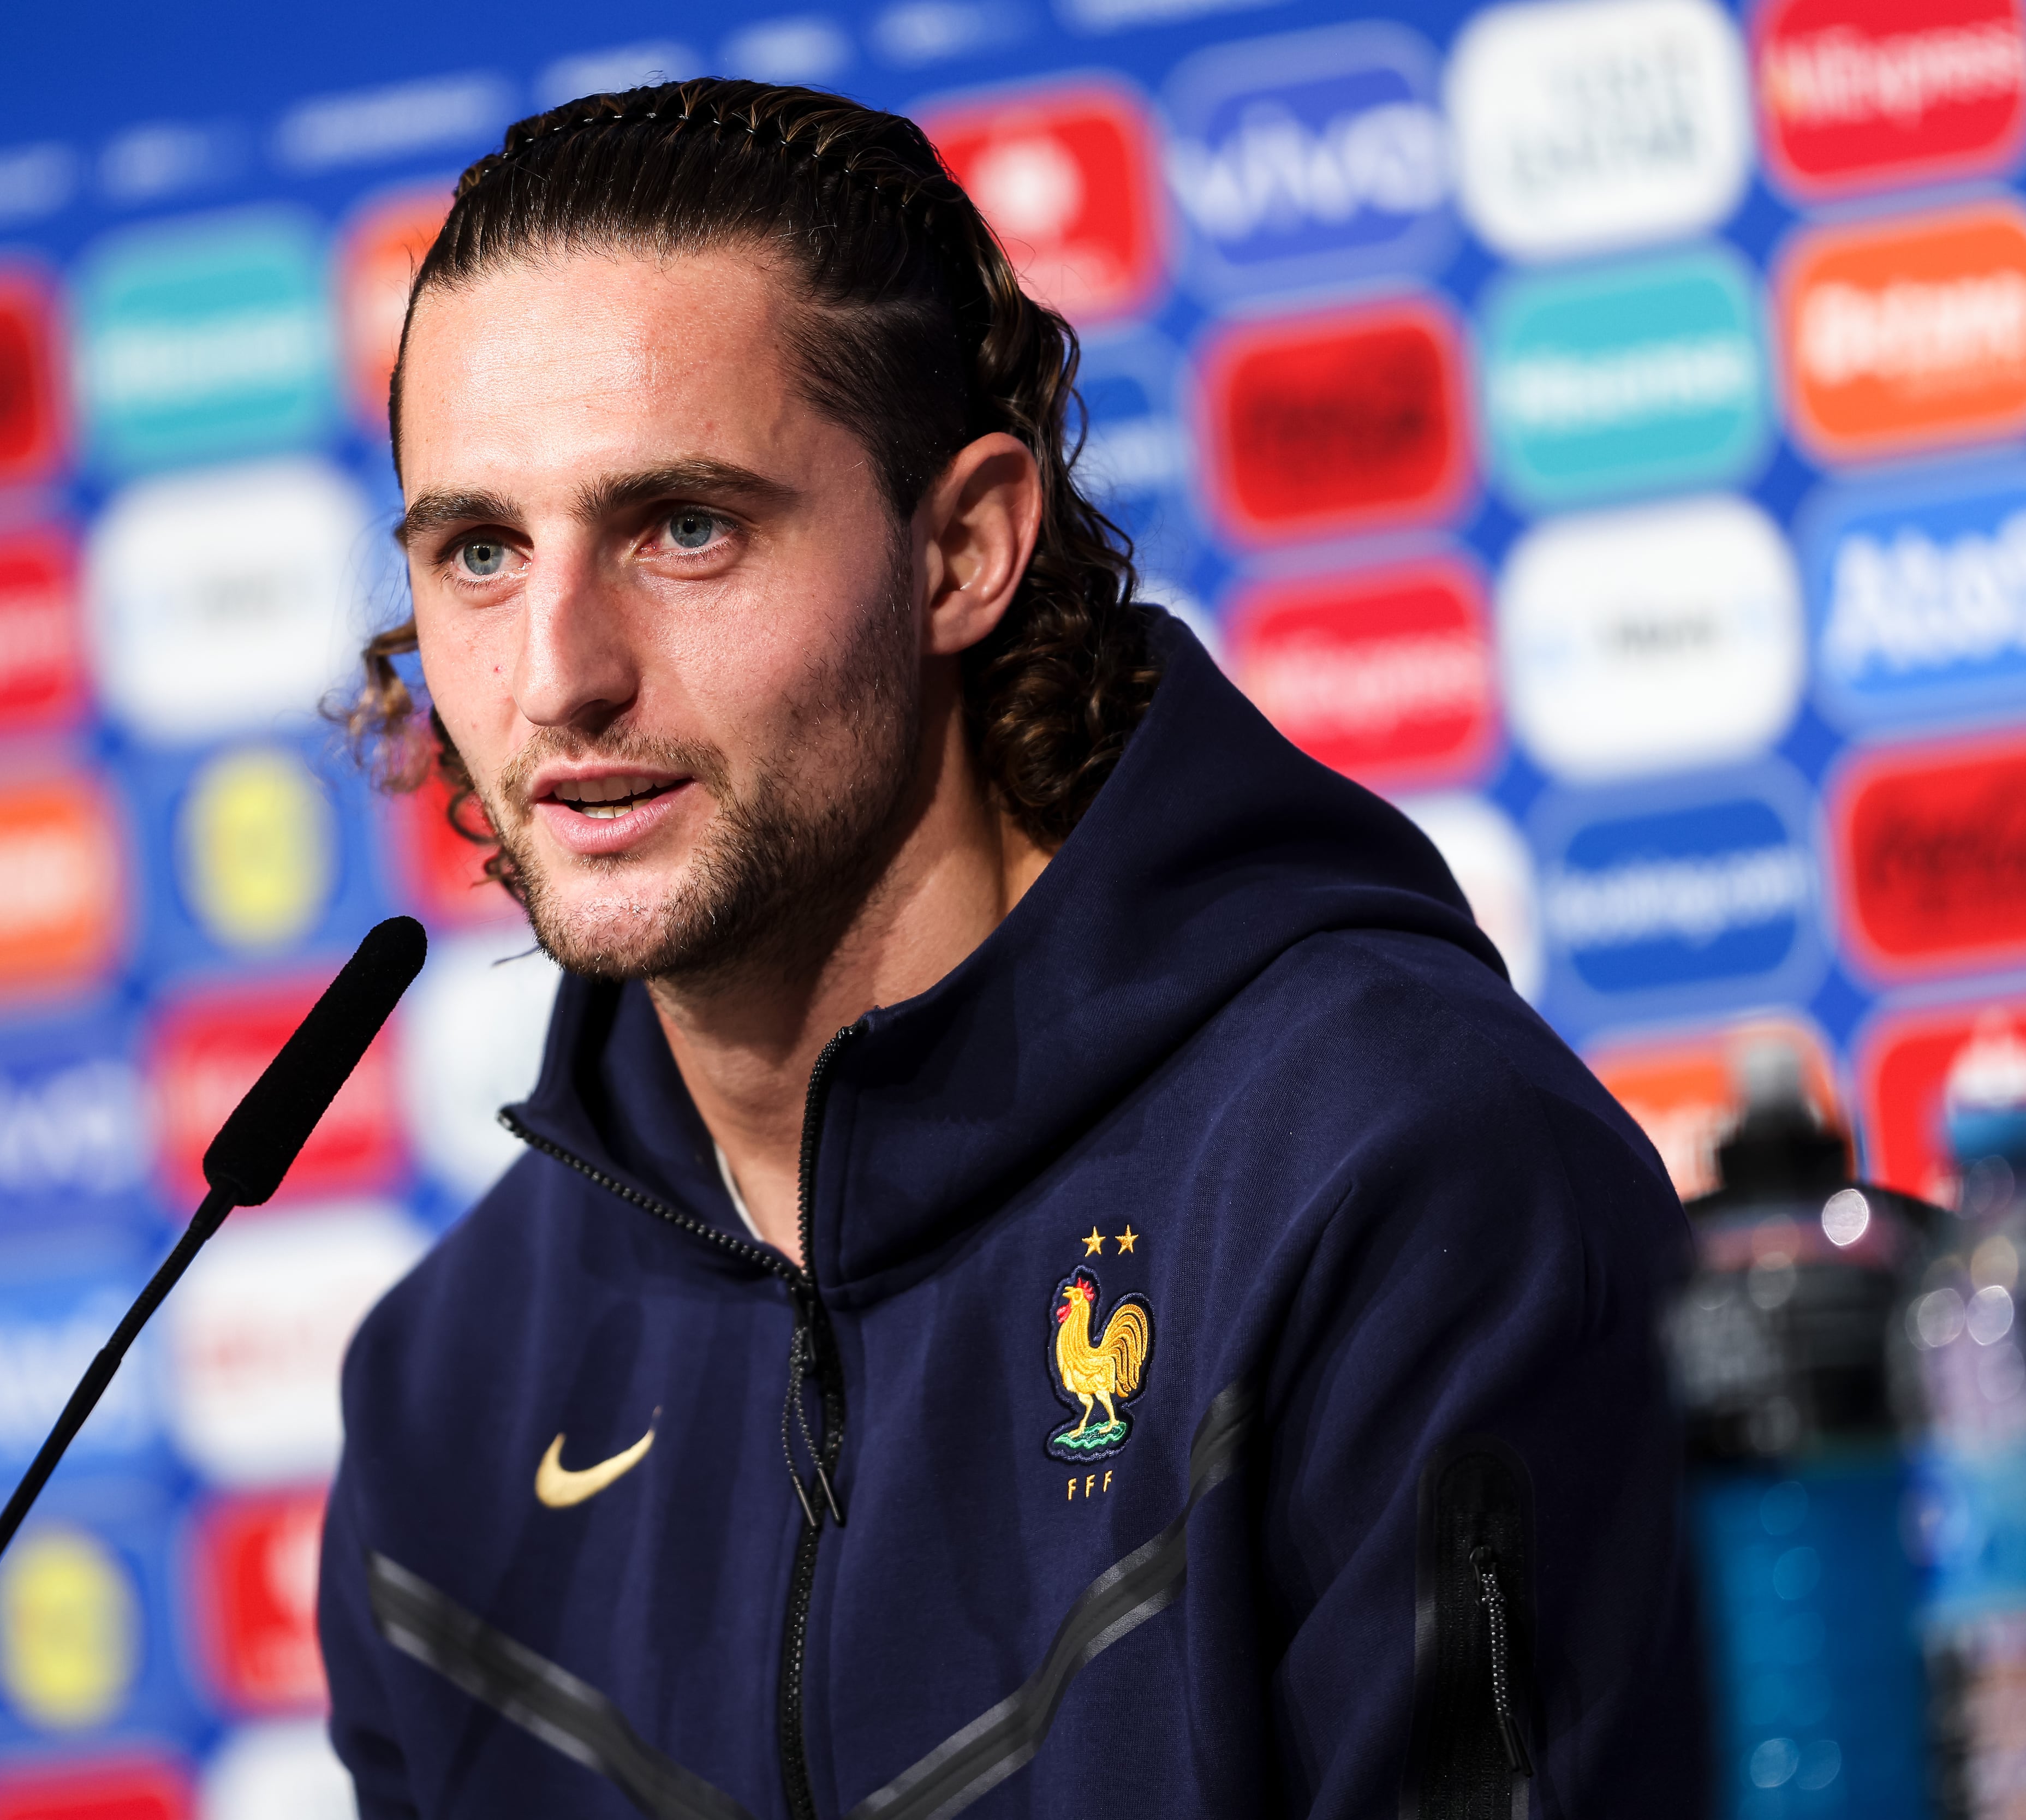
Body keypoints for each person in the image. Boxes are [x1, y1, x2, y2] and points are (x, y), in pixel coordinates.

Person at [317, 78, 1702, 1819]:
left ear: (964, 548)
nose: (558, 672)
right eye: (483, 552)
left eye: (685, 530)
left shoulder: (1392, 1179)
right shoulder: (448, 1393)